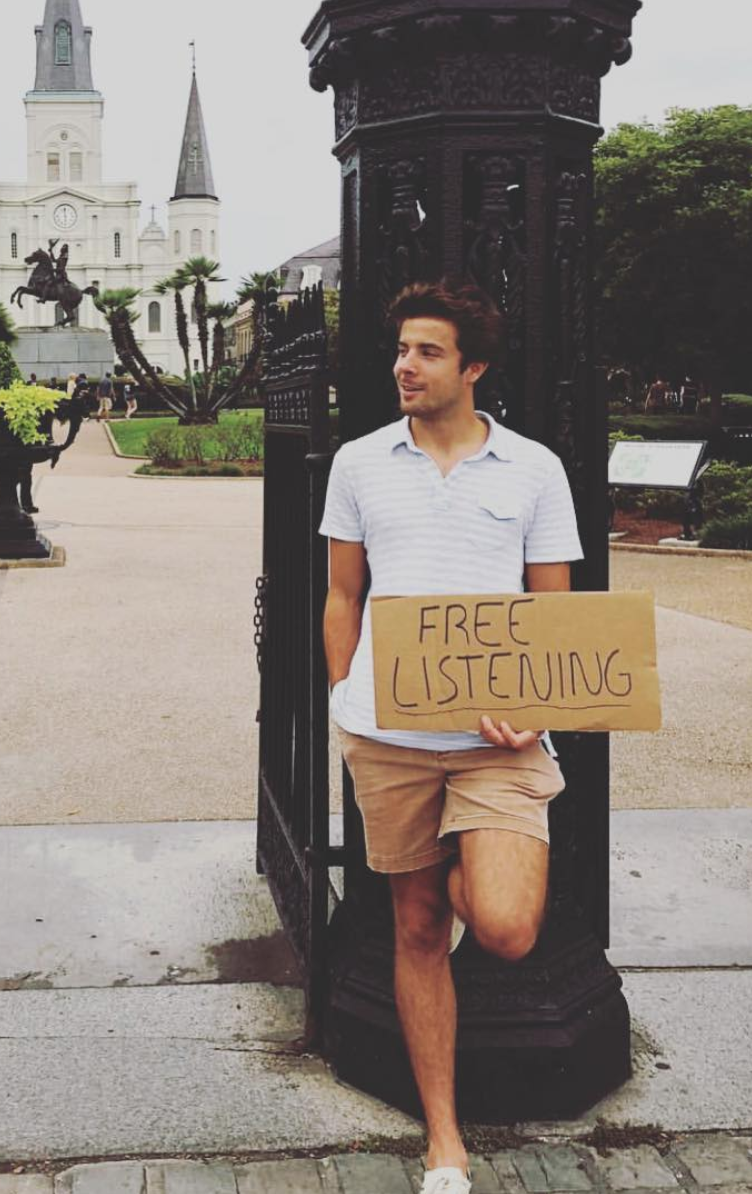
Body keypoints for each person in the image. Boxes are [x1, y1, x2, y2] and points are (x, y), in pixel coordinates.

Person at [320, 280, 582, 1194]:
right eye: (401, 349)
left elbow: (555, 612)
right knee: (419, 926)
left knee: (505, 927)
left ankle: (480, 856)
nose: (404, 364)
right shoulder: (358, 462)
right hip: (386, 740)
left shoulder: (533, 469)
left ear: (472, 367)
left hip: (495, 744)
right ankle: (444, 1139)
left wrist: (537, 707)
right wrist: (345, 696)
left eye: (427, 351)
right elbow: (343, 594)